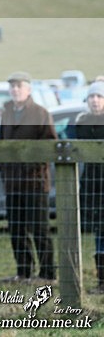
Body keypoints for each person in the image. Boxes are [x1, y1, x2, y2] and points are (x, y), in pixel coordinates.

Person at [0, 71, 57, 283]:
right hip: (13, 183)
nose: (15, 89)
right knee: (16, 229)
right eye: (12, 86)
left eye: (19, 86)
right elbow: (1, 141)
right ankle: (23, 272)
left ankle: (48, 274)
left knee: (39, 228)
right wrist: (3, 168)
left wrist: (28, 163)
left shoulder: (40, 113)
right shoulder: (6, 113)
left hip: (34, 182)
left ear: (28, 89)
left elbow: (49, 143)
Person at [73, 81, 104, 292]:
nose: (95, 100)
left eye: (99, 96)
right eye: (91, 97)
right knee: (99, 232)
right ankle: (102, 280)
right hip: (94, 184)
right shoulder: (83, 123)